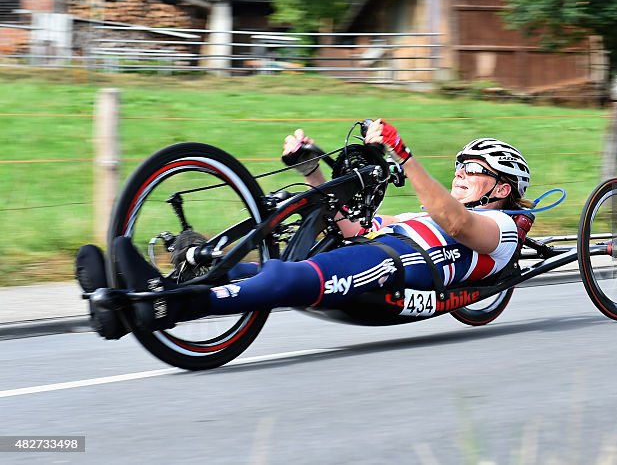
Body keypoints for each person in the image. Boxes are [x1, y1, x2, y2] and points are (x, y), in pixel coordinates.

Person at [75, 119, 533, 334]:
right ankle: (132, 299)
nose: (461, 172)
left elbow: (454, 223)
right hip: (378, 251)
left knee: (283, 278)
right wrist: (312, 172)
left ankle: (169, 308)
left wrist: (405, 156)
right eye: (461, 163)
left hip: (401, 268)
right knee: (252, 270)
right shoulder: (421, 216)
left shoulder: (501, 227)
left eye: (475, 168)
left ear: (501, 187)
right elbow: (353, 226)